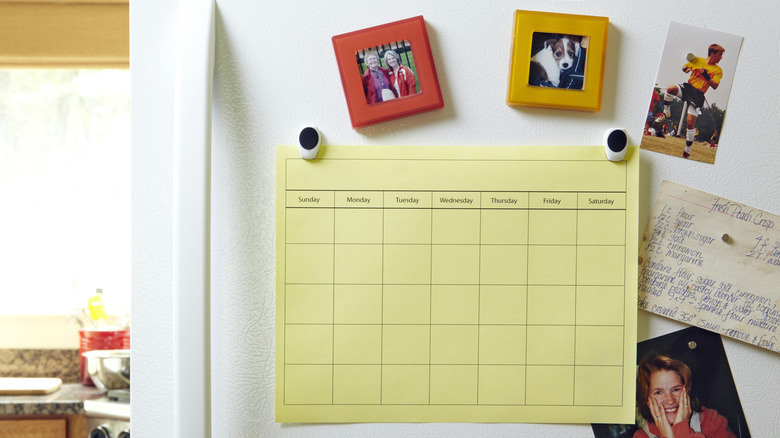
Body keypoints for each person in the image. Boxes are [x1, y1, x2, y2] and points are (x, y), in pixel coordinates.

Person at [633, 354, 737, 438]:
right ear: (646, 398)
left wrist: (681, 429)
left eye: (676, 389)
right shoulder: (641, 436)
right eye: (658, 392)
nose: (670, 400)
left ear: (686, 391)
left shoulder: (712, 421)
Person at [662, 44, 725, 159]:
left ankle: (688, 148)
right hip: (688, 88)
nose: (721, 57)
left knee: (690, 122)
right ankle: (666, 111)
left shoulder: (718, 70)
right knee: (670, 88)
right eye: (720, 55)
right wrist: (686, 69)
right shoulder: (697, 60)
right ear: (712, 54)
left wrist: (706, 75)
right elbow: (685, 67)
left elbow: (715, 86)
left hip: (698, 95)